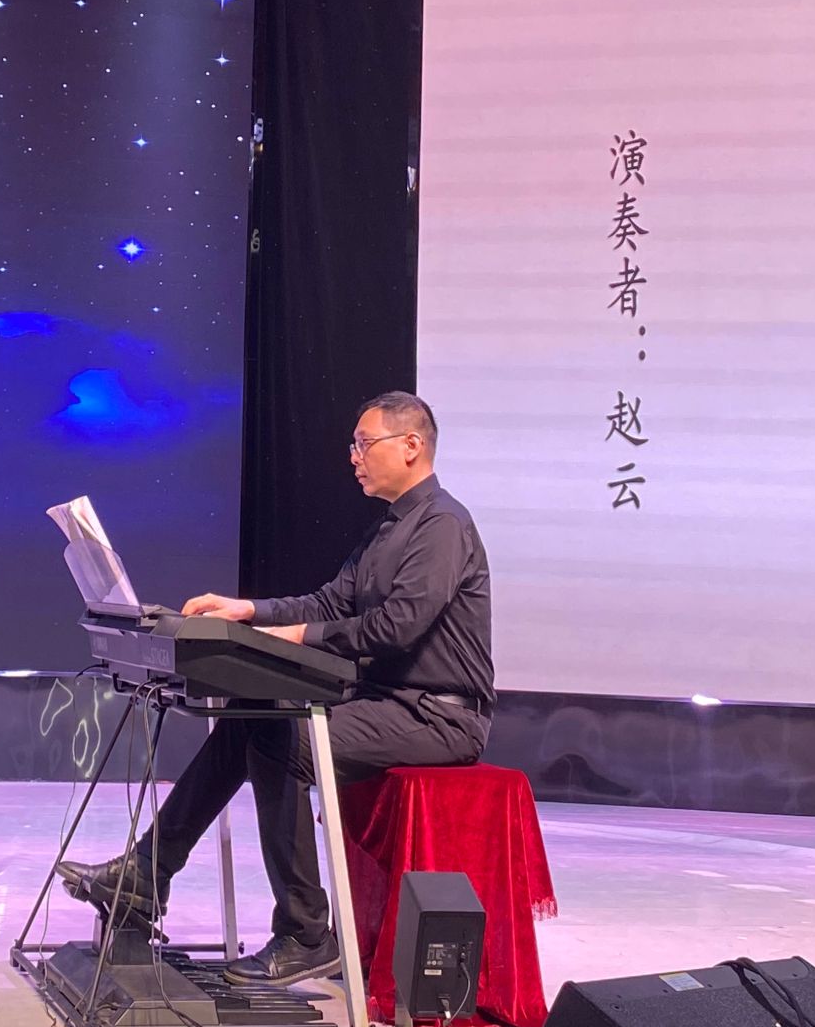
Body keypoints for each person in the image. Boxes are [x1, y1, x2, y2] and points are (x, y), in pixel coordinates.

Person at [59, 390, 493, 988]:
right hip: (383, 703)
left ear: (412, 446)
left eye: (364, 444)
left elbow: (397, 628)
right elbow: (330, 603)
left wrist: (292, 634)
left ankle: (307, 933)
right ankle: (145, 874)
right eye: (354, 445)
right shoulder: (388, 529)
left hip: (437, 716)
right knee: (252, 712)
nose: (354, 457)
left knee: (283, 743)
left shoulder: (442, 524)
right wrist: (248, 611)